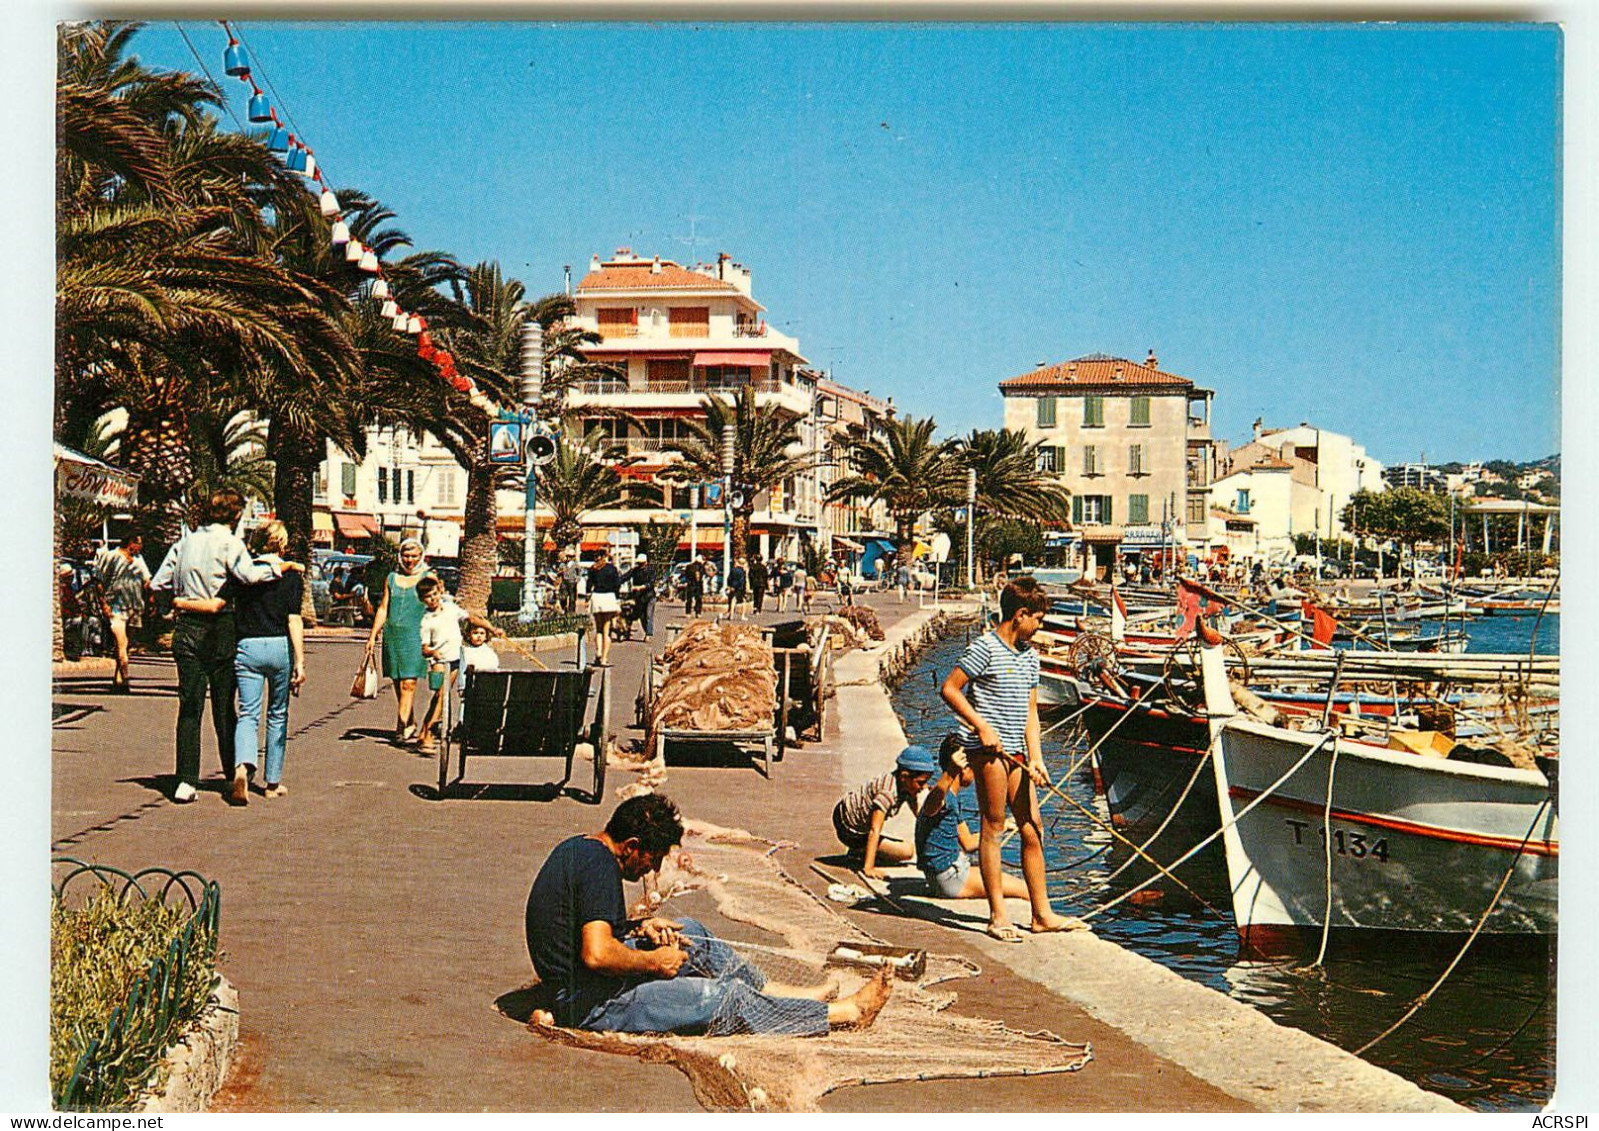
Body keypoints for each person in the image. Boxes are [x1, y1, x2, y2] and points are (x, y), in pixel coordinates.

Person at [525, 794, 892, 1036]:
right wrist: (654, 963)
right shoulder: (601, 868)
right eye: (652, 859)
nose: (651, 869)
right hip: (592, 1003)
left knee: (693, 933)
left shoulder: (585, 849)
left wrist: (641, 927)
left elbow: (587, 925)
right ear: (633, 846)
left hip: (592, 983)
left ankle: (795, 996)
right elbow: (597, 953)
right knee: (723, 998)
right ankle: (845, 1013)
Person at [941, 576, 1086, 941]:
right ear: (1020, 615)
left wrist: (1037, 759)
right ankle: (998, 916)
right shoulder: (984, 648)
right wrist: (980, 726)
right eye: (1037, 619)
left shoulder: (1031, 657)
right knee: (992, 826)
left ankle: (1042, 914)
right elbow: (950, 688)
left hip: (1018, 753)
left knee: (1032, 826)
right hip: (988, 751)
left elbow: (1031, 713)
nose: (1039, 627)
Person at [150, 490, 302, 803]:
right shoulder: (230, 542)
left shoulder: (184, 542)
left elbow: (156, 583)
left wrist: (176, 604)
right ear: (234, 516)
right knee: (224, 707)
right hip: (221, 630)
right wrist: (279, 569)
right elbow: (248, 575)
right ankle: (233, 772)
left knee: (189, 706)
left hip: (187, 628)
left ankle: (186, 781)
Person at [220, 522, 304, 804]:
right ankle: (272, 782)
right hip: (279, 645)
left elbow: (224, 604)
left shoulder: (243, 574)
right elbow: (294, 619)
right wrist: (300, 662)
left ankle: (242, 767)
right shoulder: (291, 576)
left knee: (248, 713)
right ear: (282, 544)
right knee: (277, 713)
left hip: (248, 645)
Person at [916, 736, 1029, 901]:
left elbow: (968, 842)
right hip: (950, 879)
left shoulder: (951, 797)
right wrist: (950, 773)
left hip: (940, 878)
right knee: (1024, 889)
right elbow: (930, 807)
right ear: (964, 767)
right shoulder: (943, 795)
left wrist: (1004, 825)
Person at [414, 574, 500, 754]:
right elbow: (424, 648)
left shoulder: (451, 609)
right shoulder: (426, 621)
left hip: (455, 659)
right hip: (439, 661)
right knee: (441, 695)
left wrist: (492, 628)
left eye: (435, 594)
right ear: (423, 600)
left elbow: (471, 618)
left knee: (441, 697)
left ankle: (424, 730)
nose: (433, 599)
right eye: (429, 597)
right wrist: (433, 652)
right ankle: (428, 733)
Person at [363, 537, 433, 744]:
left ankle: (401, 725)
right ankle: (409, 720)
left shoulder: (428, 577)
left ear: (421, 556)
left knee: (409, 683)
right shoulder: (392, 578)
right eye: (406, 556)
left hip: (416, 636)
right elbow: (384, 607)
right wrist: (373, 634)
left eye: (414, 556)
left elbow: (437, 605)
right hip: (393, 635)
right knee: (397, 681)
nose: (410, 560)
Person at [832, 746, 936, 878]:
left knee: (906, 849)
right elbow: (874, 830)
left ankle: (860, 850)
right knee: (906, 851)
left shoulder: (907, 787)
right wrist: (869, 868)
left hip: (852, 819)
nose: (924, 788)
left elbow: (921, 818)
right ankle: (859, 850)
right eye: (921, 783)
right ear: (905, 776)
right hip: (848, 827)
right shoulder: (887, 793)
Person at [94, 534, 151, 691]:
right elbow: (99, 580)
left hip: (134, 606)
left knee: (126, 646)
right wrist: (103, 603)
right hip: (116, 606)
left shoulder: (139, 560)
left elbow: (147, 580)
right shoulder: (111, 556)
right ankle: (125, 678)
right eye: (139, 543)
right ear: (131, 543)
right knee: (121, 642)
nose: (141, 547)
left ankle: (118, 680)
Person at [588, 549, 623, 666]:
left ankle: (598, 652)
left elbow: (589, 585)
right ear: (605, 556)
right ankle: (604, 658)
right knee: (606, 630)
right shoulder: (612, 569)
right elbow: (617, 584)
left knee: (598, 628)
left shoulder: (593, 569)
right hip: (608, 598)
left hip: (596, 597)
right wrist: (617, 599)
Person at [627, 553, 657, 638]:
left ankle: (648, 634)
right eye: (639, 563)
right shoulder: (635, 570)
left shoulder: (651, 570)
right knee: (642, 616)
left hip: (649, 596)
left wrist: (642, 587)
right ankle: (646, 631)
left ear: (645, 562)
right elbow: (625, 577)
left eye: (642, 563)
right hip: (639, 597)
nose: (640, 565)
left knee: (648, 615)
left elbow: (651, 583)